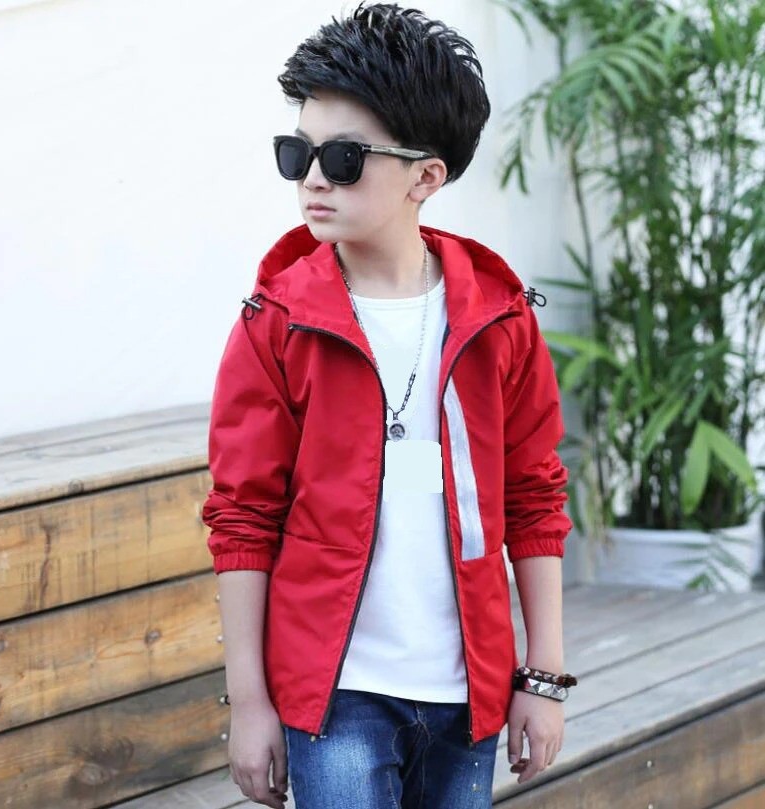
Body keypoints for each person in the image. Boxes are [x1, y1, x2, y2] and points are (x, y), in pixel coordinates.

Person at [201, 3, 577, 807]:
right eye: (297, 152)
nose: (312, 178)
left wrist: (541, 675)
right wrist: (251, 702)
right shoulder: (275, 323)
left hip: (468, 692)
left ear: (424, 177)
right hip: (332, 694)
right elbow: (242, 518)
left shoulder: (498, 320)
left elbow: (534, 498)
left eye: (343, 157)